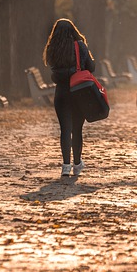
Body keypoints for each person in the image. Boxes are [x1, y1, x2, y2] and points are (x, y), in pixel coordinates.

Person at [43, 18, 95, 177]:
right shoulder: (79, 46)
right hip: (78, 92)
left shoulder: (52, 48)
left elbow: (52, 69)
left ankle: (66, 166)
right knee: (77, 129)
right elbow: (91, 67)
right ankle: (77, 163)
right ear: (73, 30)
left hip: (61, 93)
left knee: (65, 129)